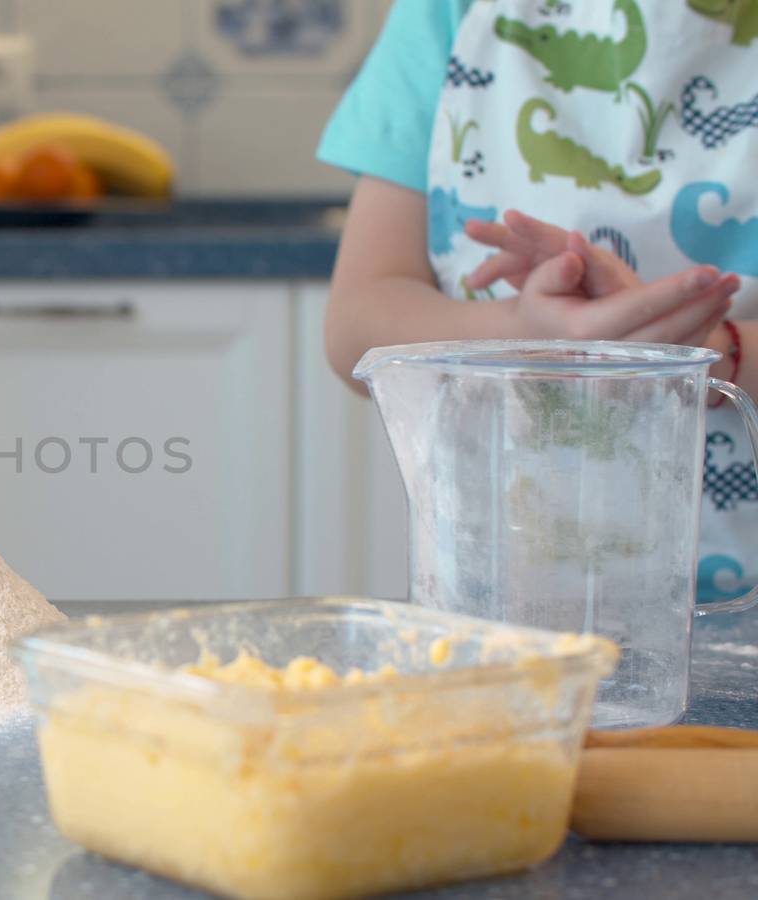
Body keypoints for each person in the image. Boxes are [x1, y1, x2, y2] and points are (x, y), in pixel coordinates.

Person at [318, 0, 758, 602]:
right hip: (499, 592)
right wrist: (521, 334)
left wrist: (711, 353)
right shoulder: (445, 11)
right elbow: (356, 323)